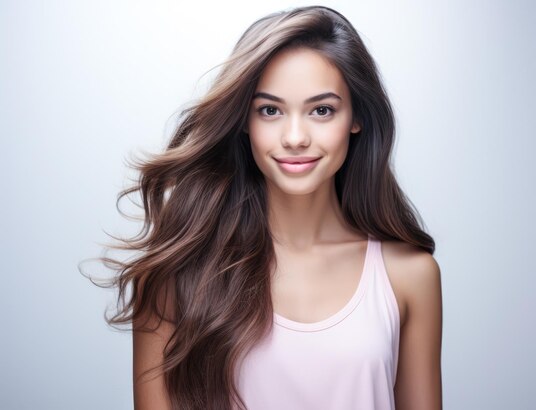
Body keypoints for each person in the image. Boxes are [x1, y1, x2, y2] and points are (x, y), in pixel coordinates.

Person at [89, 5, 442, 410]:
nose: (295, 137)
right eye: (270, 110)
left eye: (321, 110)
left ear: (356, 117)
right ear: (244, 120)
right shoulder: (176, 275)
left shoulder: (410, 276)